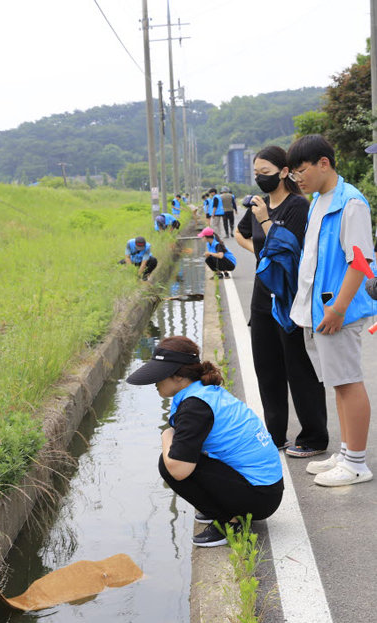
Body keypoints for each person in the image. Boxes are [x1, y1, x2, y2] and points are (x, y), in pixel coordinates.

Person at [126, 336, 283, 547]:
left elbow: (178, 470)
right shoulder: (204, 391)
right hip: (266, 488)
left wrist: (166, 436)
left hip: (259, 497)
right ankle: (223, 509)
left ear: (180, 377)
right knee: (183, 451)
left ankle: (230, 523)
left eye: (159, 376)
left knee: (169, 463)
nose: (155, 382)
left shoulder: (194, 407)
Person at [287, 134, 376, 487]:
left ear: (324, 163)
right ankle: (345, 451)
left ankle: (356, 462)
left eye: (301, 170)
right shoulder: (318, 201)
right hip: (319, 310)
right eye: (293, 174)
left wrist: (338, 308)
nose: (297, 179)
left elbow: (359, 260)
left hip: (337, 310)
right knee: (338, 383)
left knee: (348, 381)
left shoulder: (350, 202)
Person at [235, 145, 328, 457]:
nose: (260, 179)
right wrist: (262, 256)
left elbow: (291, 249)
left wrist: (265, 222)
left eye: (266, 173)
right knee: (267, 368)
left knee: (298, 368)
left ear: (284, 171)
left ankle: (314, 437)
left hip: (290, 298)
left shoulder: (297, 207)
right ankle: (274, 434)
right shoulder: (259, 204)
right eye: (256, 174)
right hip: (262, 297)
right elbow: (240, 234)